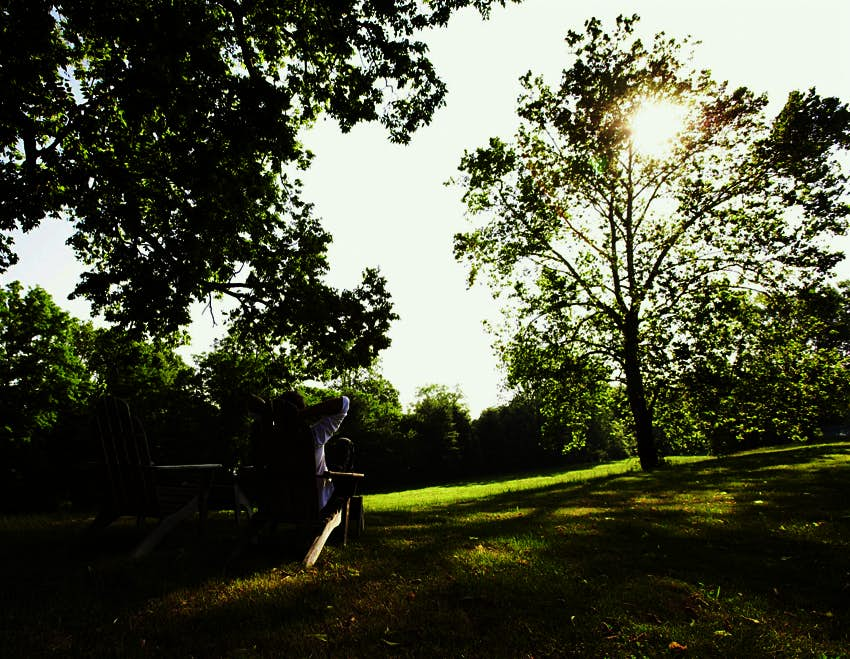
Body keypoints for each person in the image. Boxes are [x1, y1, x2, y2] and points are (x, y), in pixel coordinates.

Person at [276, 391, 350, 511]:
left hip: (281, 505)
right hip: (315, 503)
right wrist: (301, 414)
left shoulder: (270, 438)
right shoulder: (314, 436)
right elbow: (344, 403)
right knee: (346, 444)